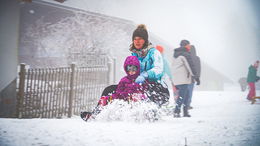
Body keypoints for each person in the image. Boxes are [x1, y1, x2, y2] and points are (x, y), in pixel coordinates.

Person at [81, 56, 147, 121]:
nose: (131, 71)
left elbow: (143, 91)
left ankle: (141, 115)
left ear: (137, 69)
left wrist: (137, 94)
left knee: (137, 98)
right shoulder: (124, 80)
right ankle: (96, 115)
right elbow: (118, 92)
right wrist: (111, 98)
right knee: (105, 99)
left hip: (135, 101)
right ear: (126, 69)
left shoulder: (139, 80)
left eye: (134, 69)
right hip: (123, 99)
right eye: (129, 69)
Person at [129, 24, 169, 106]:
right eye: (135, 39)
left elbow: (159, 69)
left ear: (145, 40)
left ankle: (150, 113)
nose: (137, 41)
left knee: (149, 93)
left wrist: (145, 75)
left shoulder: (154, 53)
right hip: (139, 85)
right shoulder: (133, 55)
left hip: (155, 86)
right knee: (110, 89)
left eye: (140, 39)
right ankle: (99, 112)